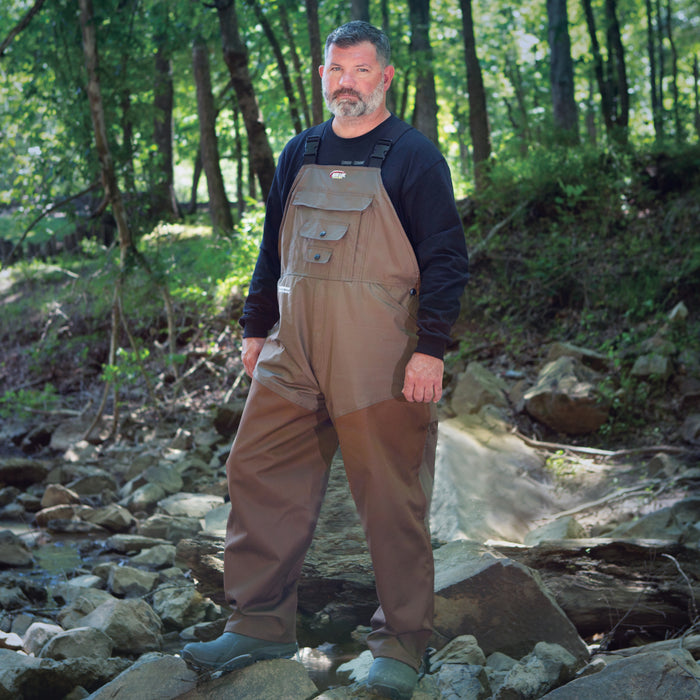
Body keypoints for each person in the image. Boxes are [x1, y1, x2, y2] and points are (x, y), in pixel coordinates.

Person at [182, 20, 469, 700]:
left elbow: (447, 259)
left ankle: (402, 644)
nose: (346, 82)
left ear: (385, 77)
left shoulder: (413, 156)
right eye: (336, 69)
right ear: (322, 75)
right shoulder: (300, 150)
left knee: (391, 498)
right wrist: (256, 326)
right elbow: (272, 246)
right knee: (255, 469)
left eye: (360, 70)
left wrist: (431, 349)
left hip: (380, 358)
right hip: (294, 350)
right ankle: (257, 624)